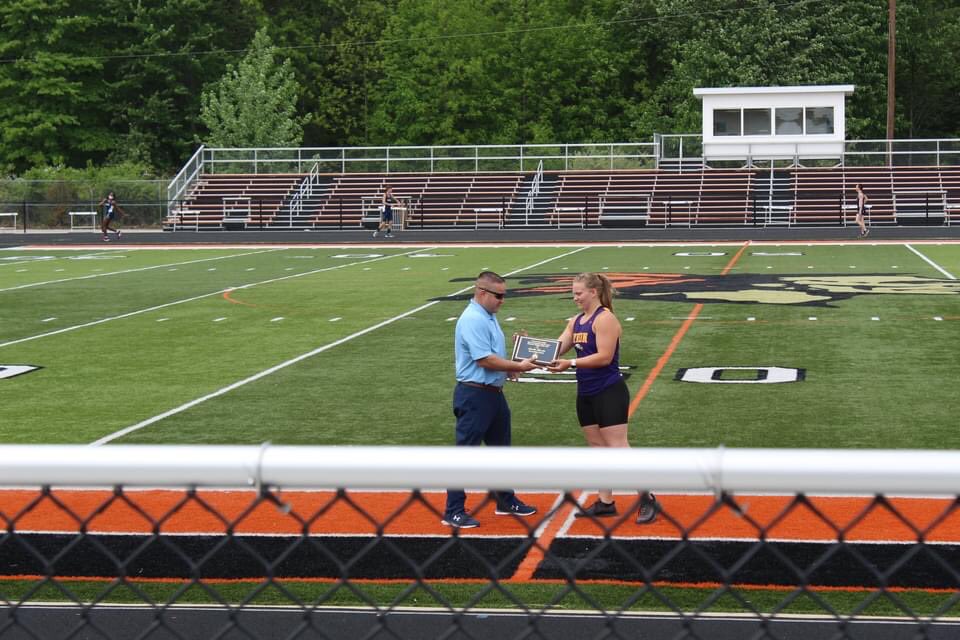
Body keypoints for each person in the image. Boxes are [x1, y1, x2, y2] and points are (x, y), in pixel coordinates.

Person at [547, 272, 660, 524]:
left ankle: (648, 498)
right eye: (573, 293)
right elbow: (555, 349)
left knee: (618, 448)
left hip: (608, 391)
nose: (575, 297)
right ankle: (605, 502)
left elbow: (604, 357)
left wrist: (571, 363)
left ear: (593, 292)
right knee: (597, 448)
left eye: (578, 293)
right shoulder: (576, 321)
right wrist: (528, 347)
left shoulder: (605, 319)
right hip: (586, 392)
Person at [443, 271, 539, 529]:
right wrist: (518, 367)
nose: (502, 301)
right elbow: (484, 360)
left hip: (493, 393)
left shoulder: (487, 316)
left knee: (501, 450)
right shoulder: (473, 319)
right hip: (475, 395)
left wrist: (511, 365)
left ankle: (504, 500)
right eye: (498, 296)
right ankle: (453, 510)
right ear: (482, 292)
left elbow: (493, 356)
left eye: (504, 295)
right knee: (465, 454)